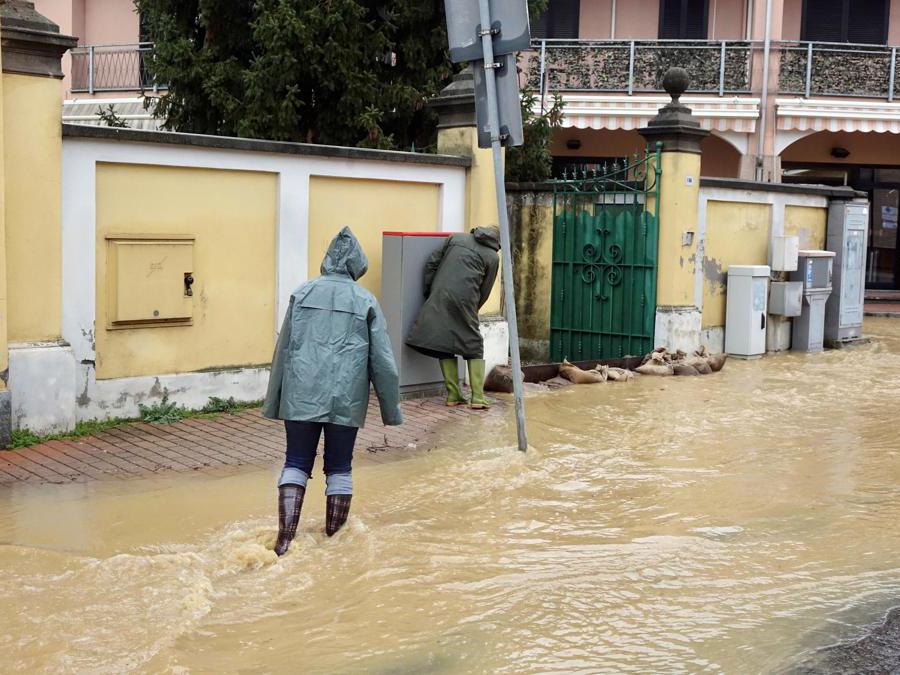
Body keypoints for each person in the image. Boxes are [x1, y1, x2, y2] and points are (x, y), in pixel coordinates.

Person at [263, 227, 402, 556]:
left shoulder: (303, 293)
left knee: (296, 461)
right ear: (357, 264)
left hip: (300, 396)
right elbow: (383, 362)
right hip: (346, 398)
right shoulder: (365, 299)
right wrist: (391, 410)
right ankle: (334, 541)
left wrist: (275, 401)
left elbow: (282, 351)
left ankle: (284, 539)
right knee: (339, 466)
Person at [405, 226, 500, 410]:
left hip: (440, 293)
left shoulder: (455, 238)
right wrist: (473, 308)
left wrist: (431, 290)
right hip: (466, 300)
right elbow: (485, 290)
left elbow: (432, 262)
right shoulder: (493, 257)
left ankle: (453, 394)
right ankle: (478, 397)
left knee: (444, 342)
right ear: (497, 242)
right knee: (474, 346)